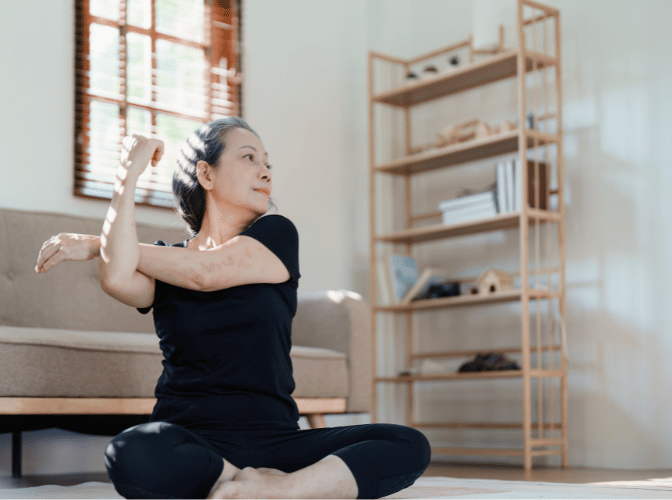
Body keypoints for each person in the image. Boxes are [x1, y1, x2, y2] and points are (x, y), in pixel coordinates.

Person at [35, 117, 431, 499]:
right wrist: (128, 172)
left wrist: (93, 244)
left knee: (405, 441)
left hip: (277, 438)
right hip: (190, 438)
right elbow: (116, 277)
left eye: (267, 163)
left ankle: (278, 491)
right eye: (249, 158)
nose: (265, 172)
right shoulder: (165, 262)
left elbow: (206, 273)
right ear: (206, 175)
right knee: (130, 450)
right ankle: (245, 483)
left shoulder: (277, 234)